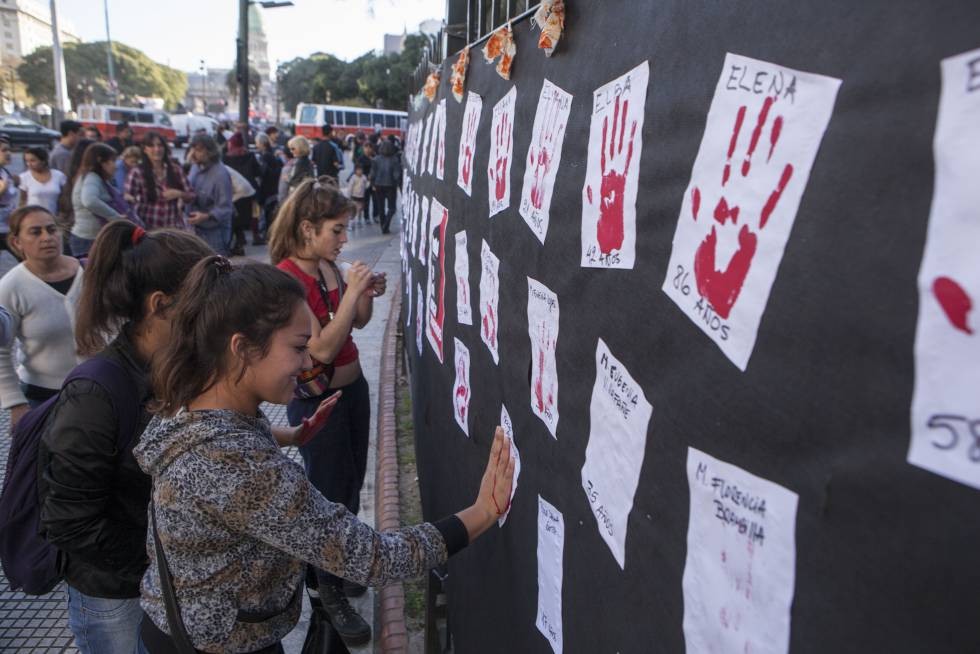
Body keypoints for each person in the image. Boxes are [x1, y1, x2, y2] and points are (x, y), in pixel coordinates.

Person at [132, 254, 514, 652]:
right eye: (298, 347)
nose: (307, 361)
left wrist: (292, 436)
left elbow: (223, 442)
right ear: (242, 348)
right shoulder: (239, 467)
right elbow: (372, 557)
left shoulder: (192, 401)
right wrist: (482, 512)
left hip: (194, 629)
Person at [37, 221, 214, 654]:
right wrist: (161, 563)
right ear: (161, 305)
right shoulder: (95, 393)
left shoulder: (182, 368)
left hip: (167, 583)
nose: (217, 313)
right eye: (206, 302)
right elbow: (68, 521)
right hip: (116, 595)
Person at [269, 177, 390, 644]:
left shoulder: (327, 267)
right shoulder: (286, 278)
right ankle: (324, 589)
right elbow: (320, 347)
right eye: (337, 230)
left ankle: (342, 564)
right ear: (307, 229)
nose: (344, 239)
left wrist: (363, 293)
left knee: (351, 481)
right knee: (327, 494)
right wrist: (353, 288)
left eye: (345, 230)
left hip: (352, 391)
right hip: (319, 401)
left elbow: (355, 323)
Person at [0, 206, 82, 428]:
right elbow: (1, 351)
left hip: (96, 389)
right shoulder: (10, 287)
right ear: (17, 242)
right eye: (36, 232)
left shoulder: (88, 273)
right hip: (42, 399)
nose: (47, 237)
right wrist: (16, 404)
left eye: (51, 229)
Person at [126, 132, 193, 231]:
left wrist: (179, 194)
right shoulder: (137, 172)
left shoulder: (175, 170)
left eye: (160, 145)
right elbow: (127, 201)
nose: (157, 149)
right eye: (151, 146)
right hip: (147, 230)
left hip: (172, 229)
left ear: (165, 148)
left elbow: (191, 195)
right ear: (145, 149)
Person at [70, 143, 127, 257]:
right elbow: (89, 201)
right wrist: (114, 217)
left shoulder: (93, 178)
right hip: (88, 240)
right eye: (112, 161)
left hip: (91, 238)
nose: (116, 166)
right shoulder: (92, 178)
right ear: (101, 162)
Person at [185, 133, 233, 256]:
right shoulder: (195, 167)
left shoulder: (220, 175)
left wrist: (206, 216)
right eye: (192, 149)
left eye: (198, 150)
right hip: (196, 230)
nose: (194, 153)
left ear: (210, 151)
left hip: (214, 233)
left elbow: (226, 207)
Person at [223, 131, 261, 254]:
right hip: (250, 190)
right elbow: (257, 172)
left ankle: (240, 241)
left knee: (235, 218)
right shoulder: (250, 156)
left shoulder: (226, 158)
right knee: (254, 214)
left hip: (235, 191)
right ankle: (255, 235)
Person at [20, 146, 68, 215]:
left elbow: (64, 198)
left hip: (53, 217)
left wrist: (63, 214)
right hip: (32, 217)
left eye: (33, 161)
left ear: (43, 161)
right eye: (27, 161)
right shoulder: (24, 177)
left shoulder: (59, 175)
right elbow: (23, 200)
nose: (29, 164)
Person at [368, 140, 401, 234]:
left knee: (381, 207)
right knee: (392, 208)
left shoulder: (376, 159)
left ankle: (384, 226)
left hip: (378, 185)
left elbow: (372, 174)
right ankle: (386, 225)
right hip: (390, 185)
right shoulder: (394, 160)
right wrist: (398, 182)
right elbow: (396, 174)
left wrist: (372, 184)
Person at [255, 132, 282, 242]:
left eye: (257, 143)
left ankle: (269, 235)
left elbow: (263, 172)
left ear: (262, 143)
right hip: (274, 188)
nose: (256, 145)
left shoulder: (265, 156)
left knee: (268, 214)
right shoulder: (271, 154)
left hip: (267, 189)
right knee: (271, 213)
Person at [0, 136, 22, 256]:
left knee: (22, 256)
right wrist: (2, 189)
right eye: (4, 150)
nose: (8, 153)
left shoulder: (4, 171)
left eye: (9, 150)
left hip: (8, 226)